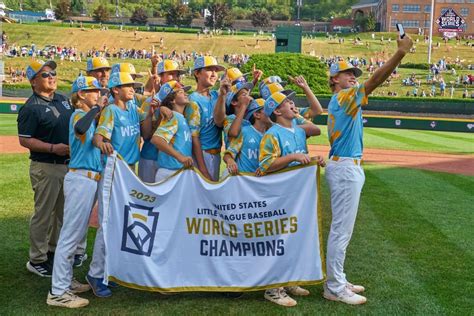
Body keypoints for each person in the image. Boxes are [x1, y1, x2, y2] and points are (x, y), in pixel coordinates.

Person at [324, 34, 413, 305]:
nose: (352, 75)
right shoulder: (343, 98)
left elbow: (368, 85)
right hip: (345, 168)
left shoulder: (344, 99)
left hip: (346, 166)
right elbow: (374, 81)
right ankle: (334, 286)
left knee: (343, 230)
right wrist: (400, 53)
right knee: (341, 230)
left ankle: (338, 278)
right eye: (346, 73)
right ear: (333, 80)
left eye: (353, 72)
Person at [85, 71, 153, 297]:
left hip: (129, 171)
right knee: (108, 222)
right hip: (113, 171)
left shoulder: (133, 108)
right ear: (115, 89)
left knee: (121, 223)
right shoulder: (112, 110)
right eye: (127, 85)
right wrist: (102, 144)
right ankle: (95, 273)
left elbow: (147, 129)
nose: (132, 88)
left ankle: (108, 270)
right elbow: (97, 138)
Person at [258, 90, 325, 306]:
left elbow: (313, 135)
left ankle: (288, 281)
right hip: (280, 194)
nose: (292, 104)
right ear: (277, 111)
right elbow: (266, 165)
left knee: (295, 238)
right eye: (287, 102)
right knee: (278, 239)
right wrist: (294, 157)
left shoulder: (298, 130)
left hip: (298, 193)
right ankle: (273, 288)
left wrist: (313, 159)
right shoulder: (272, 134)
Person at [47, 76, 109, 308]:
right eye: (92, 90)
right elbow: (80, 127)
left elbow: (92, 139)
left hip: (89, 179)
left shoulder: (89, 116)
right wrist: (98, 109)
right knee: (70, 235)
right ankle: (58, 292)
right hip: (80, 178)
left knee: (77, 233)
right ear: (81, 94)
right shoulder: (78, 114)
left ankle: (66, 282)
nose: (97, 93)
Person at [18, 59, 74, 277]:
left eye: (52, 73)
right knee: (43, 213)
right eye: (45, 75)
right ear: (33, 82)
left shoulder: (63, 99)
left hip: (66, 165)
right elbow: (25, 140)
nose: (52, 77)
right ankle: (37, 258)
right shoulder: (31, 108)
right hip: (46, 165)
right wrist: (52, 148)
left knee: (61, 213)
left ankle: (53, 250)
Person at [138, 59, 185, 183]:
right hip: (150, 157)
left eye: (177, 75)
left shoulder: (182, 102)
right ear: (160, 77)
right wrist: (153, 113)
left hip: (171, 162)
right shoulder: (149, 102)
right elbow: (146, 135)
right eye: (171, 74)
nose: (175, 78)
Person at [185, 56, 227, 181]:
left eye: (216, 70)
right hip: (203, 155)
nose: (214, 74)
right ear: (197, 73)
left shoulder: (216, 95)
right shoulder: (193, 100)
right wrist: (203, 169)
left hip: (216, 155)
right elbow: (194, 137)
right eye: (209, 69)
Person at [151, 81, 193, 181]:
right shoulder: (173, 116)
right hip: (170, 172)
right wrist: (180, 157)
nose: (186, 94)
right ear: (172, 100)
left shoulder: (181, 117)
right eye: (181, 92)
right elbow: (156, 140)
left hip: (177, 172)